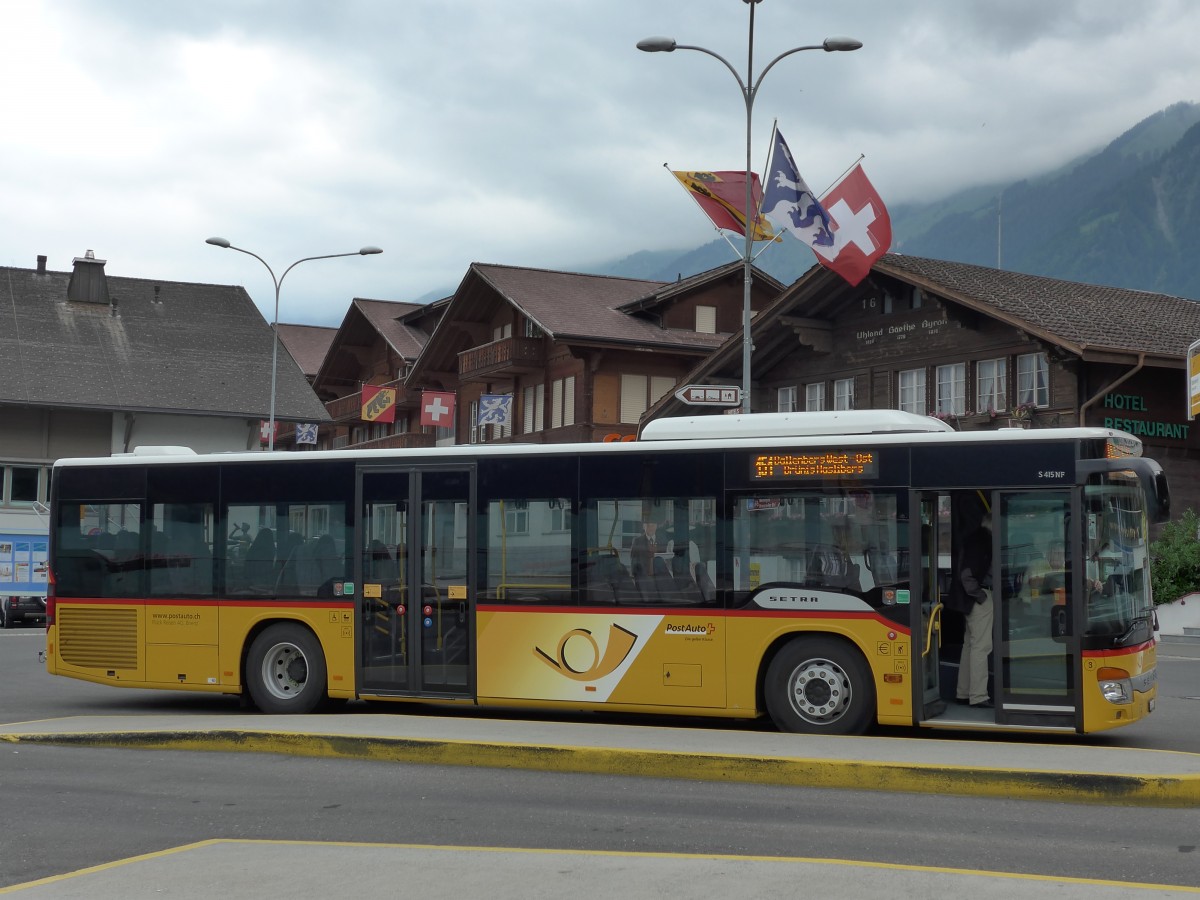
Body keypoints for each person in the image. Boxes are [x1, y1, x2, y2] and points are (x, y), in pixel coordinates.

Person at [956, 512, 994, 708]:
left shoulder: (973, 538)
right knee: (981, 646)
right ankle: (979, 696)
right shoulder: (982, 541)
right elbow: (967, 575)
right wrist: (980, 595)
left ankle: (964, 692)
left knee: (969, 646)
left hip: (970, 601)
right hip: (979, 598)